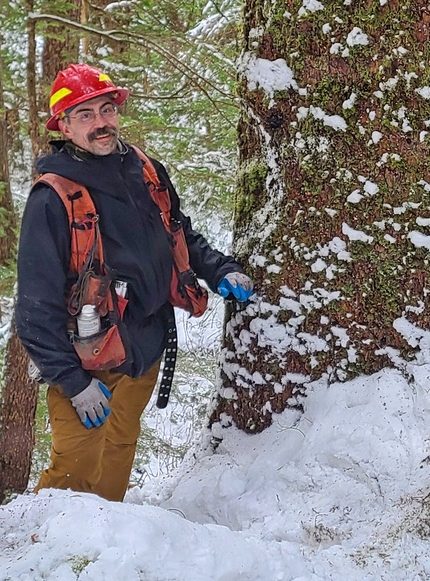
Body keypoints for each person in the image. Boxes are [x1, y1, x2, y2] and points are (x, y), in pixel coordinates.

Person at [16, 63, 253, 501]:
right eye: (85, 115)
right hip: (88, 359)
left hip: (146, 345)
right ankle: (47, 552)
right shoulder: (52, 198)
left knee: (121, 445)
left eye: (107, 109)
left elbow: (178, 233)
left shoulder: (145, 169)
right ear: (64, 127)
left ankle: (107, 548)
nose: (101, 123)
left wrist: (219, 269)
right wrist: (73, 381)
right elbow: (33, 308)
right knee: (75, 465)